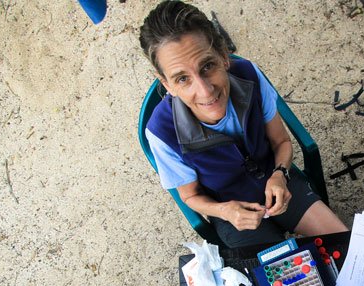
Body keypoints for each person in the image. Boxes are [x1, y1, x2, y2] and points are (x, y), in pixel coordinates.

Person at [140, 1, 347, 248]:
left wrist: (280, 174)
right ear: (167, 84)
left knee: (346, 246)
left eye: (207, 66)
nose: (205, 92)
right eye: (182, 79)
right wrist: (225, 211)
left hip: (279, 180)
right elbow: (190, 195)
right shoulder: (161, 133)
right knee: (283, 284)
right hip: (230, 211)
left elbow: (280, 141)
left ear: (223, 55)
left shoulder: (249, 75)